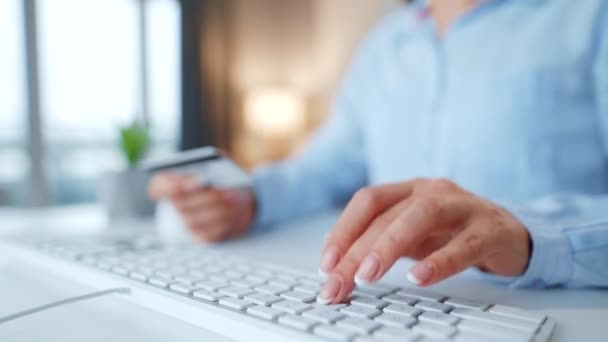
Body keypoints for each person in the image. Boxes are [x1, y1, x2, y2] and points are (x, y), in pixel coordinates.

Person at [149, 0, 608, 305]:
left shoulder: (590, 16)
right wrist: (247, 201)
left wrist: (531, 238)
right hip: (390, 303)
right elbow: (327, 166)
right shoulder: (384, 43)